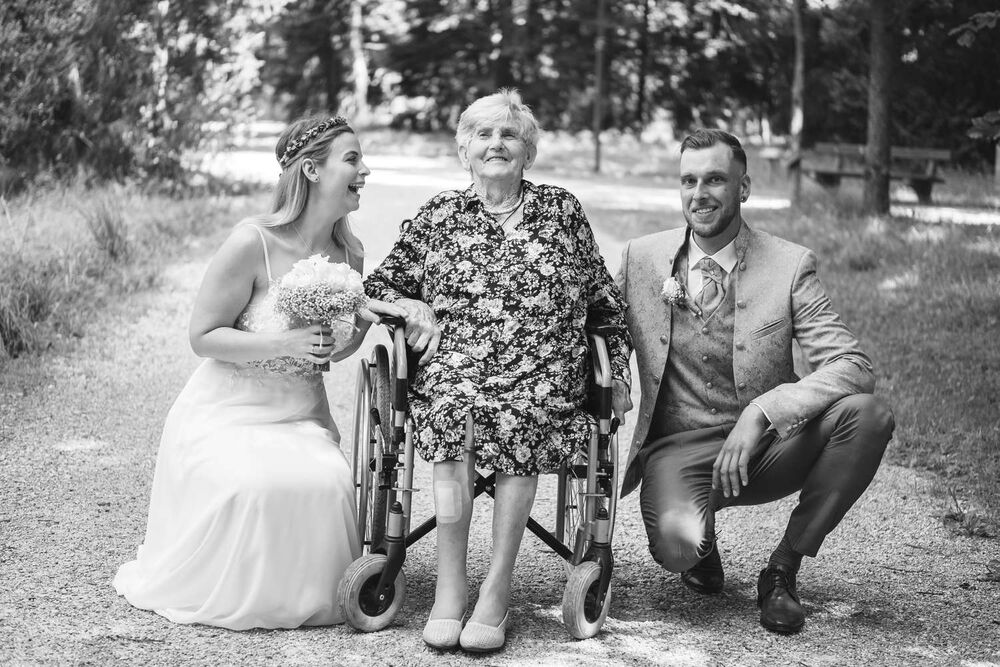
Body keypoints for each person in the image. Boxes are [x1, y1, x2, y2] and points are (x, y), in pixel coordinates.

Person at [364, 89, 632, 653]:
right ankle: (450, 586)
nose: (496, 144)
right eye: (483, 135)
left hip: (543, 367)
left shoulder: (561, 211)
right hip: (457, 364)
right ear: (463, 150)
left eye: (509, 135)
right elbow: (379, 286)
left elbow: (606, 303)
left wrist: (619, 376)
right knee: (453, 407)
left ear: (528, 152)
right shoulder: (440, 215)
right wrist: (411, 306)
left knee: (522, 409)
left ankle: (497, 586)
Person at [114, 115, 403, 630]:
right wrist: (283, 341)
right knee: (253, 484)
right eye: (353, 159)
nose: (365, 171)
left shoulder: (350, 253)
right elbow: (203, 337)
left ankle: (312, 595)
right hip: (227, 412)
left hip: (299, 415)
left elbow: (330, 354)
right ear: (311, 170)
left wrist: (360, 324)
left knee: (329, 482)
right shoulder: (252, 242)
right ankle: (245, 594)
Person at [614, 128, 894, 634]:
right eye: (689, 181)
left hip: (768, 446)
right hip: (678, 448)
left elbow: (853, 366)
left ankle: (782, 569)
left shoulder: (789, 265)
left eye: (715, 180)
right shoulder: (641, 258)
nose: (700, 194)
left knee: (868, 416)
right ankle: (701, 544)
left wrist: (763, 411)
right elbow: (602, 328)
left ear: (743, 188)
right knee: (678, 549)